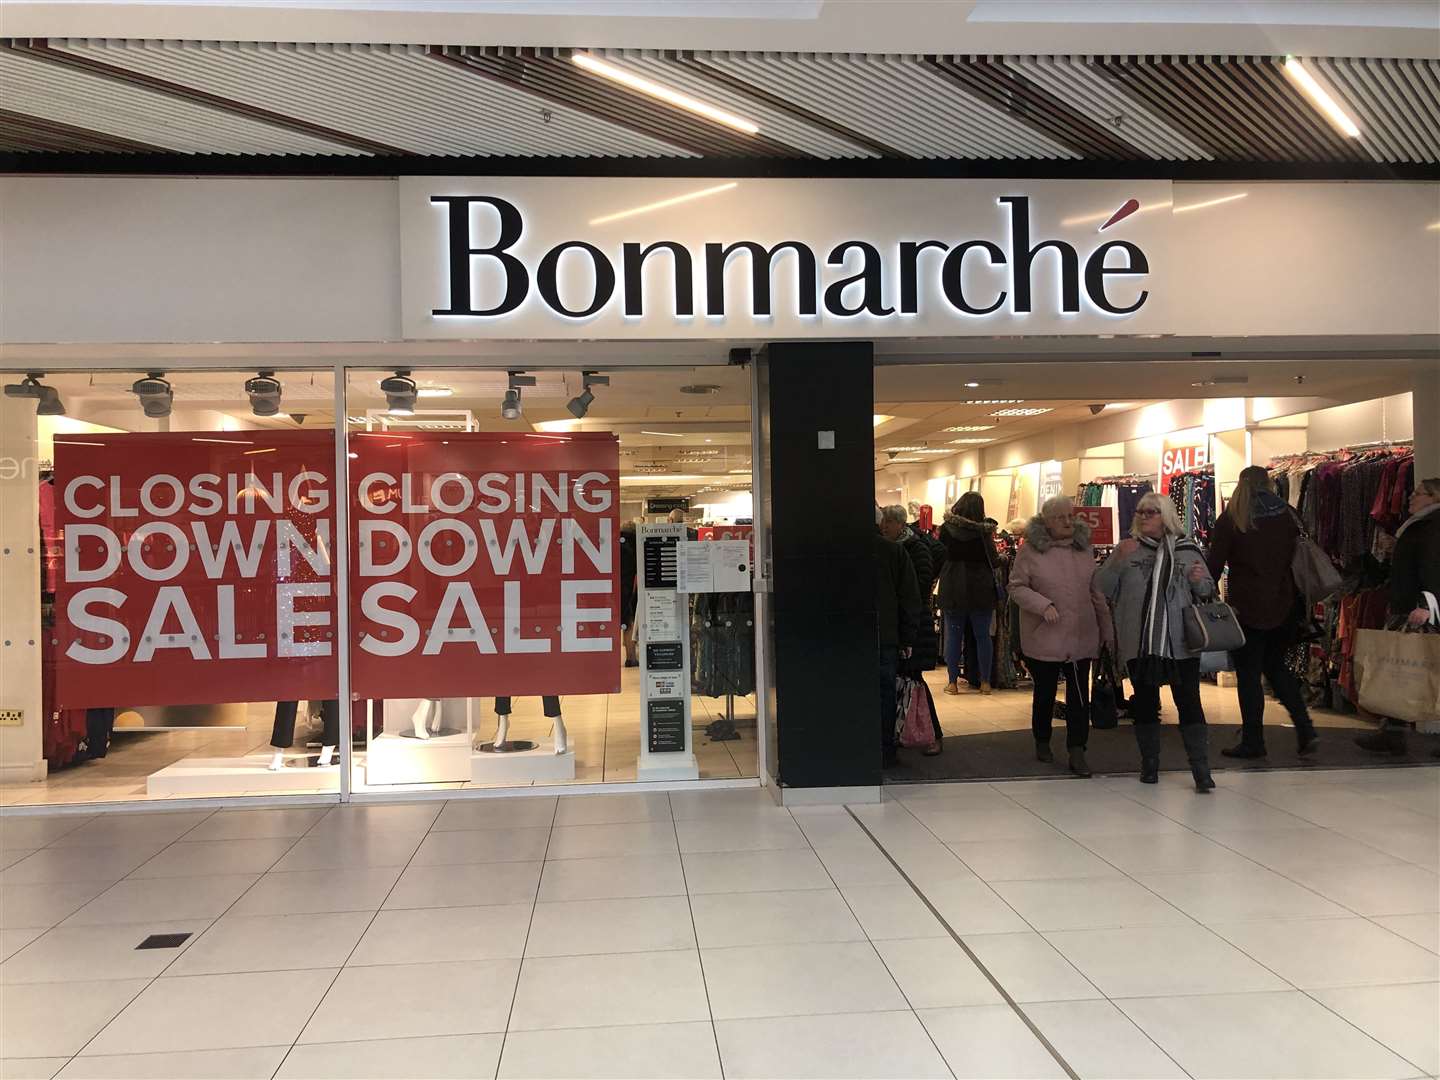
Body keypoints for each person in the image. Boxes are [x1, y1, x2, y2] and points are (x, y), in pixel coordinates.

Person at [1096, 492, 1218, 791]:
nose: (1143, 516)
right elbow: (1102, 587)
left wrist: (1198, 579)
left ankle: (1201, 770)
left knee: (1189, 702)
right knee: (1146, 703)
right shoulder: (1127, 549)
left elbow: (1206, 591)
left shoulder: (1187, 549)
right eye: (1139, 512)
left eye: (1150, 512)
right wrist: (1116, 562)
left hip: (1180, 643)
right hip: (1140, 642)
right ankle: (1149, 765)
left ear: (1165, 515)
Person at [1206, 465, 1320, 759]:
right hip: (1284, 606)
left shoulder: (1233, 519)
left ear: (1241, 485)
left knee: (1248, 674)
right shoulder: (1288, 515)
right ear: (1268, 484)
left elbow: (1213, 567)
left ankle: (1254, 741)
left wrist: (1203, 592)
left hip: (1246, 609)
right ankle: (1305, 729)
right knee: (1276, 667)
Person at [1009, 496, 1113, 777]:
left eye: (1070, 515)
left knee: (1080, 696)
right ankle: (1042, 740)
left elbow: (1096, 592)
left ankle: (1077, 750)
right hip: (1045, 635)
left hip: (1082, 633)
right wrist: (1043, 606)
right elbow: (1017, 588)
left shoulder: (1084, 548)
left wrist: (1107, 629)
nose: (1068, 521)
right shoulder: (1029, 551)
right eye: (1060, 517)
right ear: (1046, 521)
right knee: (1045, 692)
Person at [1356, 477, 1440, 754]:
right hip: (1408, 604)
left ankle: (1393, 733)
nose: (1410, 498)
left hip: (1418, 607)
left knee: (1417, 667)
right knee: (1401, 668)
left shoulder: (1431, 527)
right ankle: (1392, 731)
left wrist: (1427, 605)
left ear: (1434, 497)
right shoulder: (1419, 525)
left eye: (1418, 494)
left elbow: (1432, 568)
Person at [882, 505, 944, 755]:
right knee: (906, 680)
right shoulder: (900, 548)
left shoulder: (914, 548)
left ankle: (933, 735)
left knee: (914, 680)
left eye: (889, 522)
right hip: (905, 624)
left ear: (900, 524)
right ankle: (910, 731)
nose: (884, 527)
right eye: (883, 522)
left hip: (916, 625)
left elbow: (917, 587)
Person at [938, 491, 999, 695]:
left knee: (954, 636)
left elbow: (939, 555)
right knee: (983, 636)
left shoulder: (947, 529)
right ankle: (985, 682)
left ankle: (953, 682)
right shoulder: (984, 532)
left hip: (953, 586)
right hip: (980, 588)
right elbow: (993, 559)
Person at [877, 510, 923, 769]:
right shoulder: (893, 552)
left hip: (851, 641)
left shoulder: (840, 553)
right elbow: (909, 598)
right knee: (885, 693)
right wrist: (907, 637)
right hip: (886, 636)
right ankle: (885, 750)